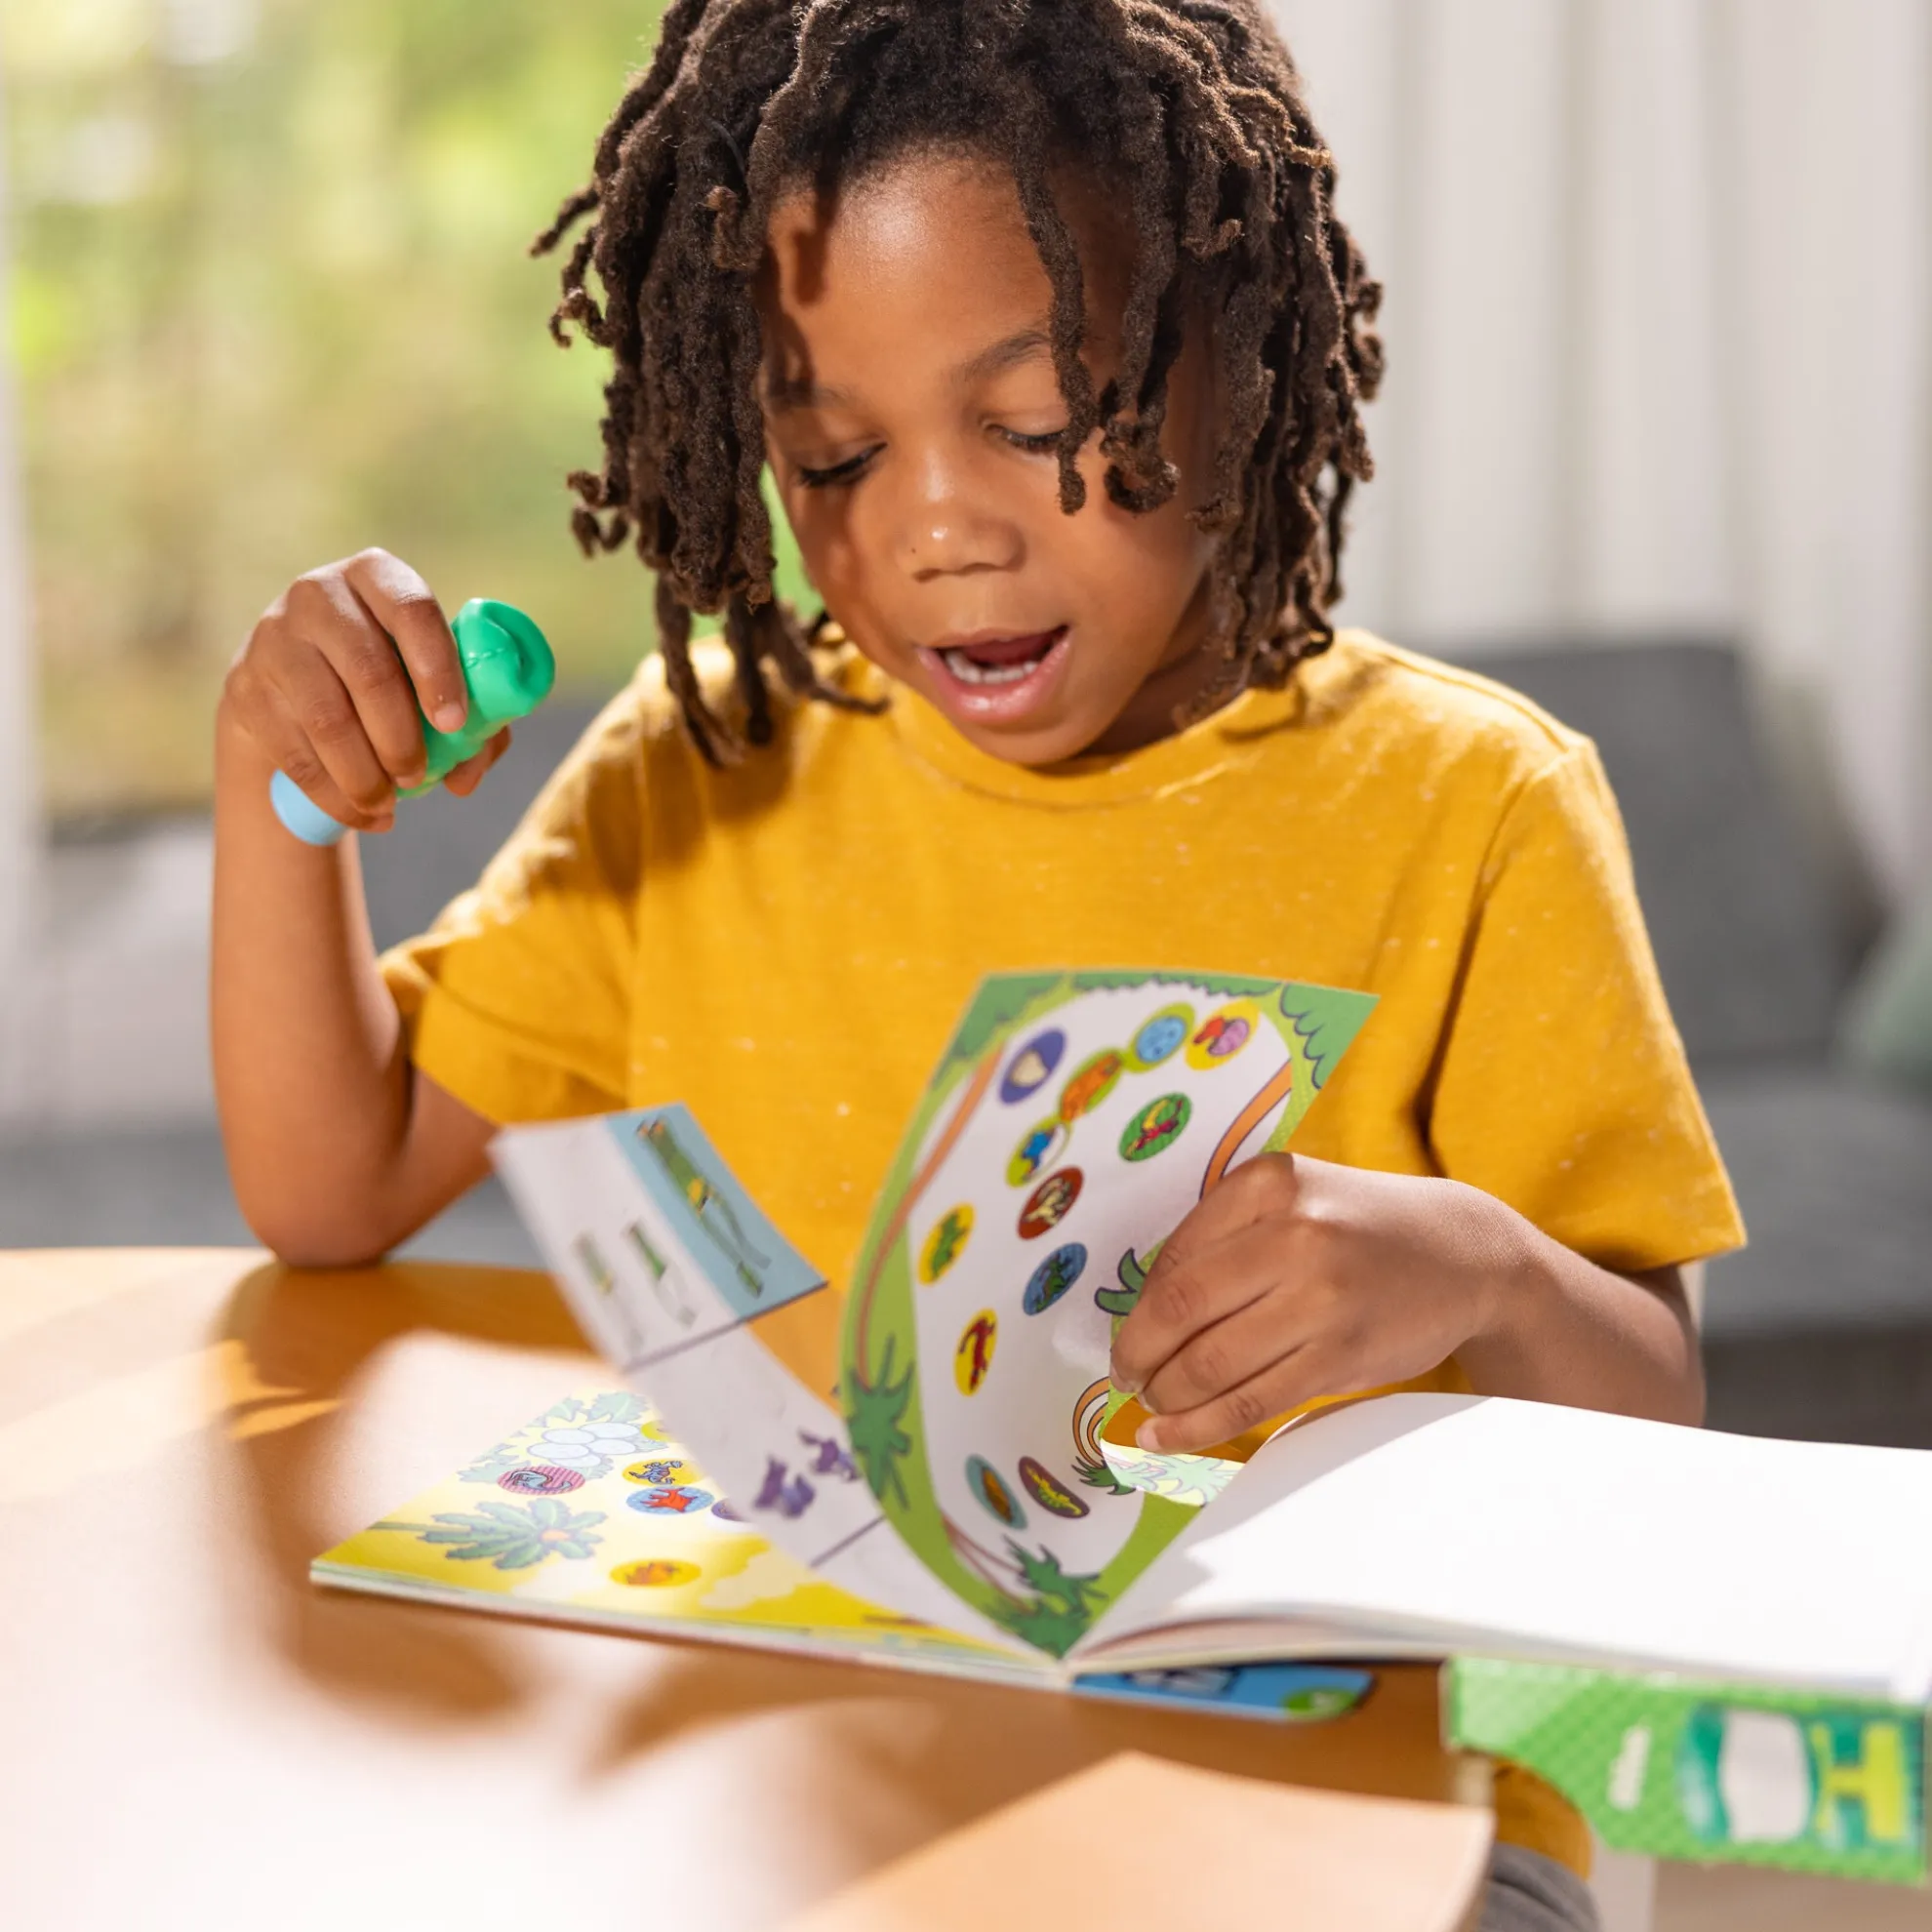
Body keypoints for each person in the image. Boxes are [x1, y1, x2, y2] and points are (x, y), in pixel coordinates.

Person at [210, 6, 1743, 1925]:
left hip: (1365, 1826)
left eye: (1034, 424)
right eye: (834, 454)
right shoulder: (704, 766)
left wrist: (1482, 1272)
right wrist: (278, 791)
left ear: (1241, 349)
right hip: (828, 1798)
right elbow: (332, 1185)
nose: (933, 528)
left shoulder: (1475, 805)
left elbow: (1651, 1420)